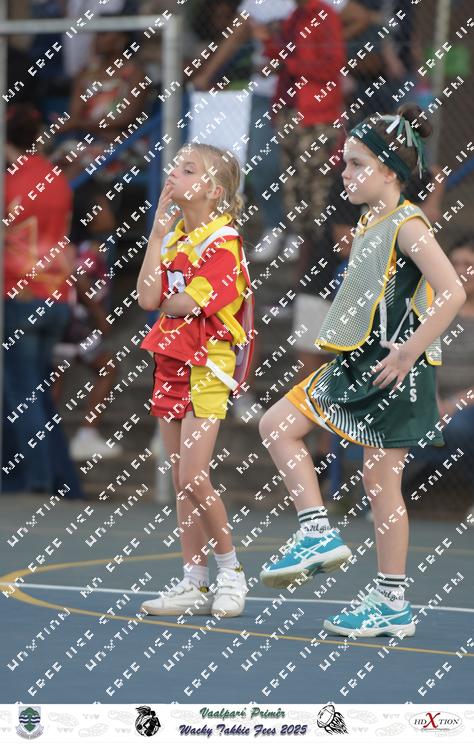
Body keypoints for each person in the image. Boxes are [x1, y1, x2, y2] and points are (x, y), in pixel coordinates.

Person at [257, 102, 467, 637]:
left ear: (389, 171)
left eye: (356, 164)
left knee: (378, 482)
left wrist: (409, 351)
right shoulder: (373, 219)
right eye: (345, 163)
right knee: (281, 427)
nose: (345, 173)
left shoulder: (408, 225)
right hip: (364, 360)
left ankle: (388, 598)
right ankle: (320, 535)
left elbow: (452, 291)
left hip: (392, 365)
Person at [136, 143, 254, 618]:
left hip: (207, 365)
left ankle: (231, 572)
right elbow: (147, 298)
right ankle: (194, 581)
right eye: (175, 167)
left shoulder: (224, 243)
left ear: (214, 190)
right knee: (180, 480)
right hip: (170, 360)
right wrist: (155, 237)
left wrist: (168, 296)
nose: (174, 175)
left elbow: (182, 304)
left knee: (193, 476)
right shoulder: (174, 239)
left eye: (188, 170)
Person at [2, 104, 84, 498]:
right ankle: (63, 481)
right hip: (56, 293)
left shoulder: (11, 183)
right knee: (37, 392)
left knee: (22, 394)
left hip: (20, 293)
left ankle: (36, 480)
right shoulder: (56, 179)